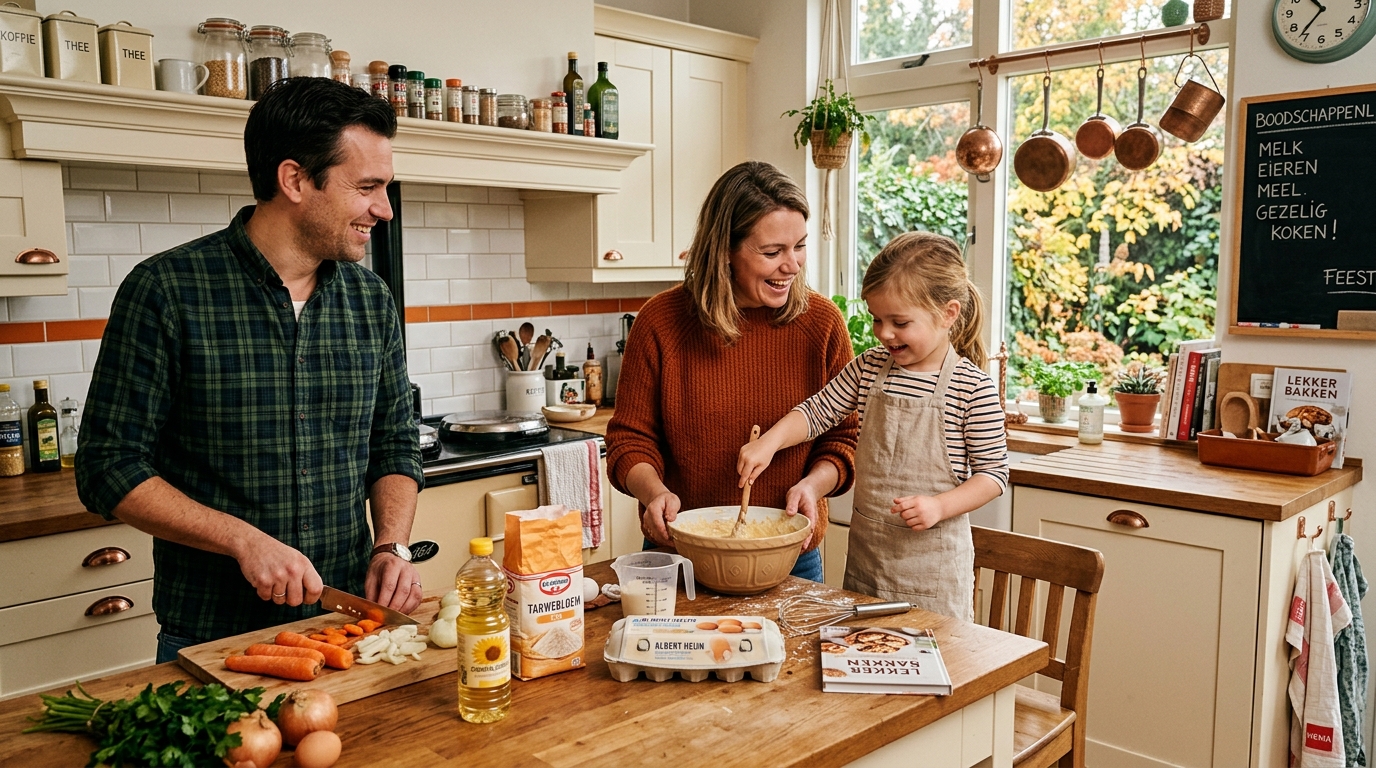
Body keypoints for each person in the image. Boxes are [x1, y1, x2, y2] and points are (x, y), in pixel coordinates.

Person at [76, 78, 424, 662]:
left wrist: (393, 545)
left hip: (347, 630)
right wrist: (242, 541)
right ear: (294, 179)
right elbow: (106, 467)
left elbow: (394, 443)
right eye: (367, 187)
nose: (383, 210)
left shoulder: (370, 300)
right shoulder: (167, 290)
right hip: (214, 636)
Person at [606, 161, 858, 581]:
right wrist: (654, 493)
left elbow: (843, 439)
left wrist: (813, 486)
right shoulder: (661, 322)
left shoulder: (823, 324)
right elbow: (629, 440)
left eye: (800, 246)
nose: (792, 265)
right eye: (773, 252)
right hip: (679, 552)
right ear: (725, 250)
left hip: (790, 556)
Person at [737, 231, 1008, 619]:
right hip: (867, 565)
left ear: (948, 313)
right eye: (877, 319)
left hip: (934, 575)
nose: (884, 333)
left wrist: (939, 506)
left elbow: (994, 475)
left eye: (899, 322)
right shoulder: (869, 368)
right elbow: (817, 412)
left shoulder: (972, 387)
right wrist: (771, 443)